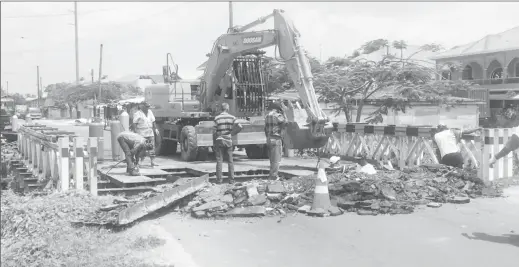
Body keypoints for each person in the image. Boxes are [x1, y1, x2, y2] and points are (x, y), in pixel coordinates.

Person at [213, 103, 242, 184]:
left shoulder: (217, 118)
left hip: (219, 140)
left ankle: (219, 180)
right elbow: (240, 126)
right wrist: (232, 133)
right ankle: (231, 180)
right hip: (228, 140)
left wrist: (215, 141)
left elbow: (214, 131)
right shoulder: (232, 117)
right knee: (230, 161)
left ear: (221, 109)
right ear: (228, 109)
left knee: (219, 160)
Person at [264, 101, 288, 180]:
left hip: (269, 138)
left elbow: (265, 129)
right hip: (276, 139)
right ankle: (274, 176)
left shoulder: (267, 116)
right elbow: (286, 122)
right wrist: (284, 113)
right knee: (276, 159)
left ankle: (271, 175)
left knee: (272, 159)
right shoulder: (278, 116)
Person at [133, 102, 159, 167]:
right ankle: (140, 162)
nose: (147, 108)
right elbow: (134, 123)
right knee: (142, 148)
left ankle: (152, 161)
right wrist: (136, 133)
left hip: (150, 132)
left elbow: (153, 121)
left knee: (152, 147)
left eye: (148, 107)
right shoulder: (137, 113)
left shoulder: (150, 112)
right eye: (146, 107)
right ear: (142, 106)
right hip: (142, 132)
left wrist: (155, 129)